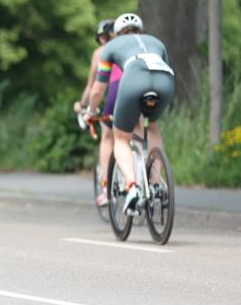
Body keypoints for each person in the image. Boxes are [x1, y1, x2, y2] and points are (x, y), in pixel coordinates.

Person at [86, 13, 174, 214]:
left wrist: (90, 111)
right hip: (165, 82)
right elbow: (166, 67)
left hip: (134, 81)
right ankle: (156, 182)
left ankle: (132, 187)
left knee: (121, 138)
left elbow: (98, 89)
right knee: (151, 126)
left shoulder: (110, 47)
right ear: (140, 30)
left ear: (116, 33)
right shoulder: (156, 42)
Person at [74, 19, 123, 206]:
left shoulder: (101, 53)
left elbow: (93, 86)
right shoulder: (131, 45)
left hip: (115, 94)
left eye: (103, 37)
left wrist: (82, 104)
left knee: (108, 136)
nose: (102, 42)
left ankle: (106, 187)